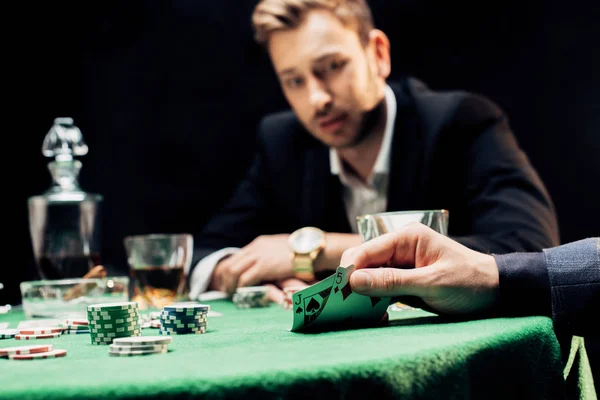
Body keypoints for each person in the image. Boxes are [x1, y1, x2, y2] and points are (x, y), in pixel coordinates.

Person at [187, 0, 560, 299]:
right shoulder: (283, 141)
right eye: (294, 80)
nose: (316, 98)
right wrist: (256, 275)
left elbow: (529, 251)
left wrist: (313, 252)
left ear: (378, 53)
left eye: (332, 67)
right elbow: (205, 254)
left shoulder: (460, 121)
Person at [340, 222, 599, 338]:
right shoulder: (302, 143)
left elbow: (527, 237)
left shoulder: (461, 117)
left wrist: (311, 249)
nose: (321, 106)